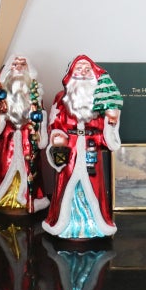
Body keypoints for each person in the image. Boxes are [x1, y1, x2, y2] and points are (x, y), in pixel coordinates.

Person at [42, 55, 122, 239]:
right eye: (79, 69)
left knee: (93, 183)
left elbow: (107, 132)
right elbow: (54, 124)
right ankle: (64, 223)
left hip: (91, 146)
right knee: (66, 183)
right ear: (71, 73)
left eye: (87, 69)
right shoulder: (61, 98)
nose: (84, 72)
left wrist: (111, 121)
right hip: (69, 147)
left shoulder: (101, 100)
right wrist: (57, 138)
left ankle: (94, 225)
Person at [0, 55, 49, 214]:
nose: (18, 67)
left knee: (30, 168)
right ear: (8, 69)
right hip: (8, 136)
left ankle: (28, 199)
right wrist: (0, 123)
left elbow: (39, 114)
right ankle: (4, 198)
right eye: (15, 64)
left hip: (28, 136)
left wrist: (39, 130)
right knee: (5, 167)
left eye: (22, 64)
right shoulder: (0, 92)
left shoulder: (35, 90)